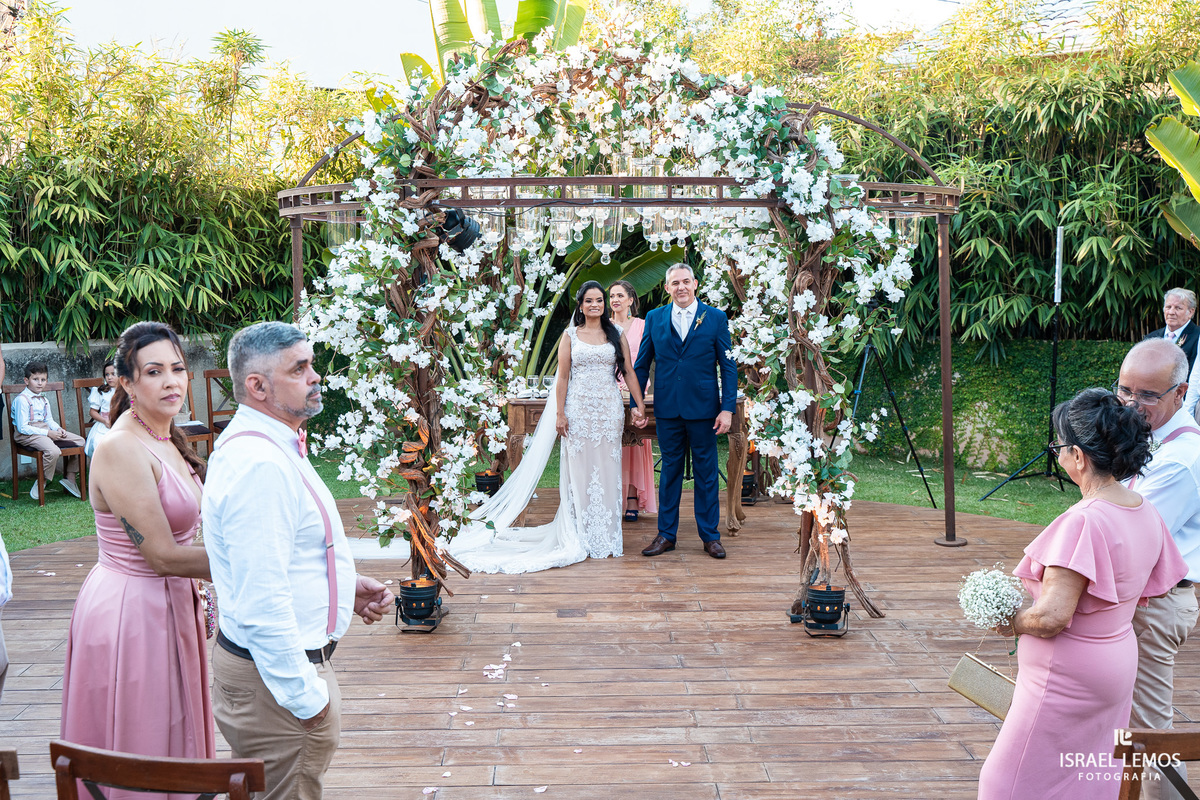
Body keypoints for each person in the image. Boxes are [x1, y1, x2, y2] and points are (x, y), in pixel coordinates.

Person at [203, 321, 394, 800]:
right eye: (300, 368)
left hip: (268, 675)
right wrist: (306, 699)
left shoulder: (273, 444)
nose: (315, 377)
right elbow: (261, 599)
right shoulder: (261, 465)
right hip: (278, 683)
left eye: (312, 365)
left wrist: (340, 585)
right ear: (258, 386)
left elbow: (278, 555)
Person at [977, 388, 1187, 800]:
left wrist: (1011, 622)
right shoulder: (1142, 508)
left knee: (1006, 783)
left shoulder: (1084, 522)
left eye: (1058, 447)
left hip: (1066, 679)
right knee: (1089, 775)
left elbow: (1053, 616)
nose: (1056, 456)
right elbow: (1151, 589)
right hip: (1116, 663)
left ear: (1080, 456)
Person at [60, 322, 216, 778]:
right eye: (154, 372)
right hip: (133, 612)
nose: (171, 381)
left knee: (174, 731)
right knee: (145, 735)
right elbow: (163, 556)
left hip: (171, 601)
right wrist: (262, 562)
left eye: (178, 368)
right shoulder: (121, 447)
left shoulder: (166, 435)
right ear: (126, 382)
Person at [448, 282, 648, 574]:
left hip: (608, 412)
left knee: (607, 472)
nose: (596, 305)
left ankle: (606, 537)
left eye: (600, 300)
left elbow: (628, 372)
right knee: (579, 473)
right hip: (578, 410)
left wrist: (638, 405)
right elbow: (563, 378)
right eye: (589, 300)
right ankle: (578, 535)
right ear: (580, 306)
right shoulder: (570, 336)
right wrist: (561, 414)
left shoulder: (615, 334)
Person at [1115, 339, 1200, 800]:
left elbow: (1129, 535)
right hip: (1141, 597)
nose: (1131, 403)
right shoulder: (1148, 436)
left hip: (1158, 602)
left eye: (1147, 395)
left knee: (1149, 734)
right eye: (1124, 390)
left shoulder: (1184, 458)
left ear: (1180, 394)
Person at [632, 264, 738, 559]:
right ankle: (666, 535)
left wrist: (726, 409)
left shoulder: (716, 318)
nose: (680, 287)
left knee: (706, 474)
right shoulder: (654, 318)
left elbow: (728, 367)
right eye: (674, 283)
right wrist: (636, 404)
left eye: (685, 282)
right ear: (667, 288)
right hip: (668, 408)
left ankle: (710, 536)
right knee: (670, 472)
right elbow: (641, 365)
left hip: (705, 409)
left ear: (695, 284)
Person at [610, 279, 658, 522]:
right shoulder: (603, 326)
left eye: (620, 295)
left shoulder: (642, 325)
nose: (615, 300)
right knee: (610, 445)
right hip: (607, 391)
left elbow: (648, 358)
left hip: (637, 390)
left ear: (630, 300)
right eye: (612, 296)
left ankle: (631, 497)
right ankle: (609, 495)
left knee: (635, 444)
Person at [11, 361, 85, 500]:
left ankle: (70, 477)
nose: (40, 383)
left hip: (44, 431)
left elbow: (49, 420)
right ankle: (42, 480)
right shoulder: (22, 400)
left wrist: (57, 429)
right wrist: (48, 433)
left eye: (43, 380)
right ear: (26, 380)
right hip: (26, 435)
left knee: (80, 441)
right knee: (53, 451)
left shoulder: (44, 399)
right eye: (35, 379)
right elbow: (22, 427)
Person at [1146, 288, 1199, 373]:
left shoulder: (1198, 337)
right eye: (1168, 307)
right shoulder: (1150, 338)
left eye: (1178, 308)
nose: (1171, 312)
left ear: (1190, 312)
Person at [84, 361, 117, 457]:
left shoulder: (126, 392)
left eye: (113, 374)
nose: (109, 377)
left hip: (121, 425)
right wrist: (104, 420)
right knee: (101, 444)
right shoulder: (102, 392)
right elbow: (92, 412)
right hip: (104, 425)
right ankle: (101, 469)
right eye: (107, 374)